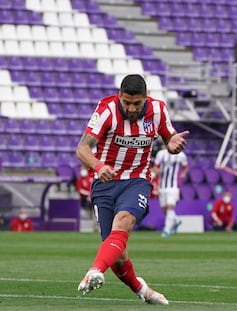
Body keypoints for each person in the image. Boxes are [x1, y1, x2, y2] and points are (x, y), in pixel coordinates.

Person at [76, 74, 188, 305]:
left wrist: (173, 145)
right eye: (126, 103)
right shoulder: (107, 109)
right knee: (117, 254)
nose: (131, 108)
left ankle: (95, 270)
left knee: (123, 221)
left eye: (137, 103)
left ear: (145, 98)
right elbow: (82, 148)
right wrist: (97, 165)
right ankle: (142, 290)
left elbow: (169, 139)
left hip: (137, 180)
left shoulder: (158, 110)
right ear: (120, 97)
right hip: (105, 182)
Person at [152, 148, 189, 237]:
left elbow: (186, 167)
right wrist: (155, 172)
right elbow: (155, 167)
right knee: (165, 210)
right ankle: (176, 221)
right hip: (162, 186)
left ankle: (166, 230)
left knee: (170, 207)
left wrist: (183, 173)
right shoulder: (161, 154)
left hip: (174, 186)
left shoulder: (181, 155)